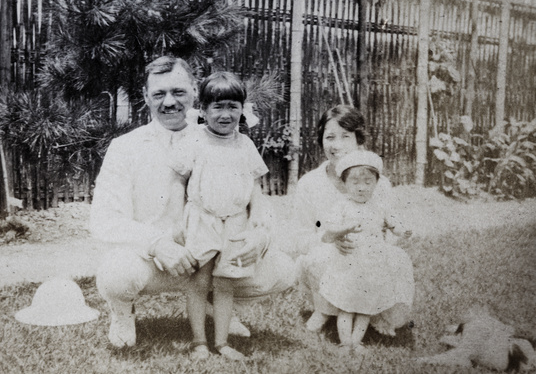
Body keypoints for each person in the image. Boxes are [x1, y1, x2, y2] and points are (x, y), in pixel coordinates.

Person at [90, 56, 294, 349]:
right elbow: (104, 220)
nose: (169, 102)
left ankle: (220, 306)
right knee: (116, 273)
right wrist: (158, 243)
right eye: (159, 94)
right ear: (146, 96)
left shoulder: (225, 136)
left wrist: (260, 234)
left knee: (283, 269)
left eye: (178, 92)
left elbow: (254, 192)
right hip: (157, 263)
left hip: (215, 253)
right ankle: (123, 313)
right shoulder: (126, 147)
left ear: (195, 93)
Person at [171, 72, 268, 360]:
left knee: (226, 283)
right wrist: (177, 220)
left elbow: (255, 186)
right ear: (202, 110)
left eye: (232, 107)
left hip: (235, 220)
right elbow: (177, 181)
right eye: (217, 107)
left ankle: (223, 342)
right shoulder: (194, 140)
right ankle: (199, 341)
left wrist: (256, 220)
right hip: (203, 217)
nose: (225, 115)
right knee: (199, 281)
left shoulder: (245, 144)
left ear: (242, 110)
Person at [293, 105, 411, 335]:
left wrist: (372, 246)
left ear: (359, 141)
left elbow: (389, 229)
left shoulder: (379, 184)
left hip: (369, 259)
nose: (336, 145)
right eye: (329, 137)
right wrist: (330, 239)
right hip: (328, 254)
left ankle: (374, 310)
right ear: (321, 141)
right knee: (320, 256)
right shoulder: (309, 184)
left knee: (397, 257)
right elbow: (299, 237)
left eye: (345, 137)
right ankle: (325, 310)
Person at [313, 150, 414, 352]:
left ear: (376, 183)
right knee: (347, 306)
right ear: (344, 184)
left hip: (372, 266)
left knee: (365, 307)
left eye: (368, 182)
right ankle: (345, 342)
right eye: (355, 183)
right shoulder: (342, 205)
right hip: (347, 265)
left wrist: (403, 230)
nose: (362, 188)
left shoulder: (379, 206)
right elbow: (328, 229)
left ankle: (357, 341)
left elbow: (393, 223)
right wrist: (345, 229)